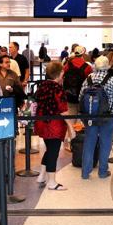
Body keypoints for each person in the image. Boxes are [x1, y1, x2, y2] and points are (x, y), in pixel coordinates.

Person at [80, 55, 113, 180]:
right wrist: (112, 106)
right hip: (108, 116)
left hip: (90, 116)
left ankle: (85, 172)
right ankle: (102, 171)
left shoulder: (88, 79)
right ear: (108, 66)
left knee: (89, 142)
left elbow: (81, 98)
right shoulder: (112, 80)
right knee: (105, 143)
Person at [33, 61, 74, 191]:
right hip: (54, 125)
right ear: (60, 73)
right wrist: (71, 127)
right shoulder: (58, 89)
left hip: (42, 122)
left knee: (49, 149)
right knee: (53, 152)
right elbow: (62, 109)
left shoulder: (42, 85)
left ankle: (41, 175)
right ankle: (52, 182)